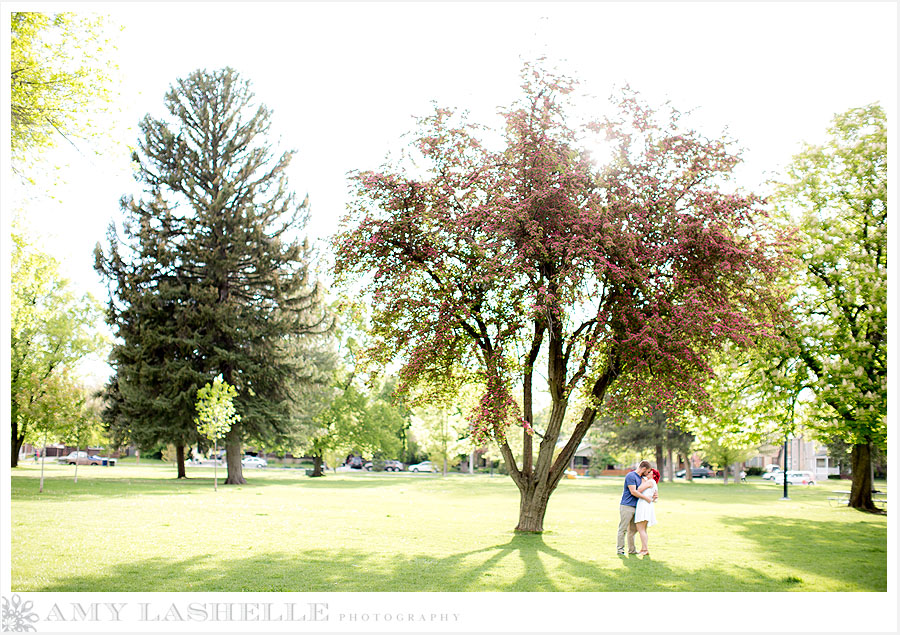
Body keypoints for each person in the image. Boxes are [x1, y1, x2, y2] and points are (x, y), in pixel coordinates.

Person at [617, 460, 657, 555]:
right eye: (647, 471)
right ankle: (620, 550)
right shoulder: (631, 476)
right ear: (643, 468)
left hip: (638, 507)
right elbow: (633, 491)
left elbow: (648, 488)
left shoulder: (642, 478)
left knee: (633, 530)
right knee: (623, 529)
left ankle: (632, 550)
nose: (647, 473)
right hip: (627, 506)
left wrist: (654, 495)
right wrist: (646, 498)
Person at [634, 468, 660, 556]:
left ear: (653, 475)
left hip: (643, 505)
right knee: (643, 529)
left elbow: (638, 489)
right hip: (647, 505)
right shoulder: (654, 483)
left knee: (641, 529)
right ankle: (643, 548)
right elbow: (655, 498)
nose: (647, 474)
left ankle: (645, 549)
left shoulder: (649, 482)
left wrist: (642, 480)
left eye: (649, 473)